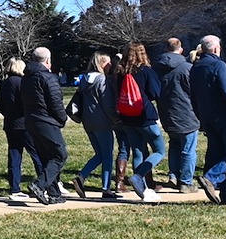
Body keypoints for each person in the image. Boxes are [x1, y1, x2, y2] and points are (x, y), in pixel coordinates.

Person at [188, 35, 226, 205]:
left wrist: (199, 117)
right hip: (223, 116)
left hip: (206, 117)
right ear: (215, 49)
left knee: (220, 154)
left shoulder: (195, 68)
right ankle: (211, 177)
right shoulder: (219, 65)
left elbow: (193, 96)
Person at [109, 42, 167, 203]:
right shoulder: (146, 71)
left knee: (138, 151)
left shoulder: (120, 72)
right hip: (144, 116)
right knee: (160, 151)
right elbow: (156, 92)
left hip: (127, 117)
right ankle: (139, 176)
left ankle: (143, 190)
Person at [19, 47, 70, 204]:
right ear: (48, 61)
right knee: (59, 155)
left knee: (47, 157)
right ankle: (39, 185)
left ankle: (54, 193)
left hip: (30, 120)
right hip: (46, 121)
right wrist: (62, 119)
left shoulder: (26, 77)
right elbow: (56, 102)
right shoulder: (48, 77)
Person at [70, 52, 116, 200]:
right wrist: (116, 118)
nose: (110, 66)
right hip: (102, 121)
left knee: (100, 154)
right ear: (102, 64)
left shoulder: (85, 79)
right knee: (107, 155)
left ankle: (82, 177)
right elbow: (107, 103)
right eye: (108, 63)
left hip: (87, 121)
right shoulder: (102, 79)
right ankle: (106, 188)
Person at [155, 38, 199, 191]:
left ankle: (173, 176)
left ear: (166, 49)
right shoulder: (187, 68)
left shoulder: (157, 68)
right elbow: (194, 92)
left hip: (166, 112)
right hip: (186, 112)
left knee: (174, 144)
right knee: (188, 148)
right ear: (181, 50)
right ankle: (186, 182)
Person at [0, 57, 31, 199]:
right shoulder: (23, 83)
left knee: (14, 155)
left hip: (10, 124)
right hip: (24, 123)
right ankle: (44, 184)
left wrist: (8, 113)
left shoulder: (4, 84)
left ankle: (14, 188)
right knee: (36, 153)